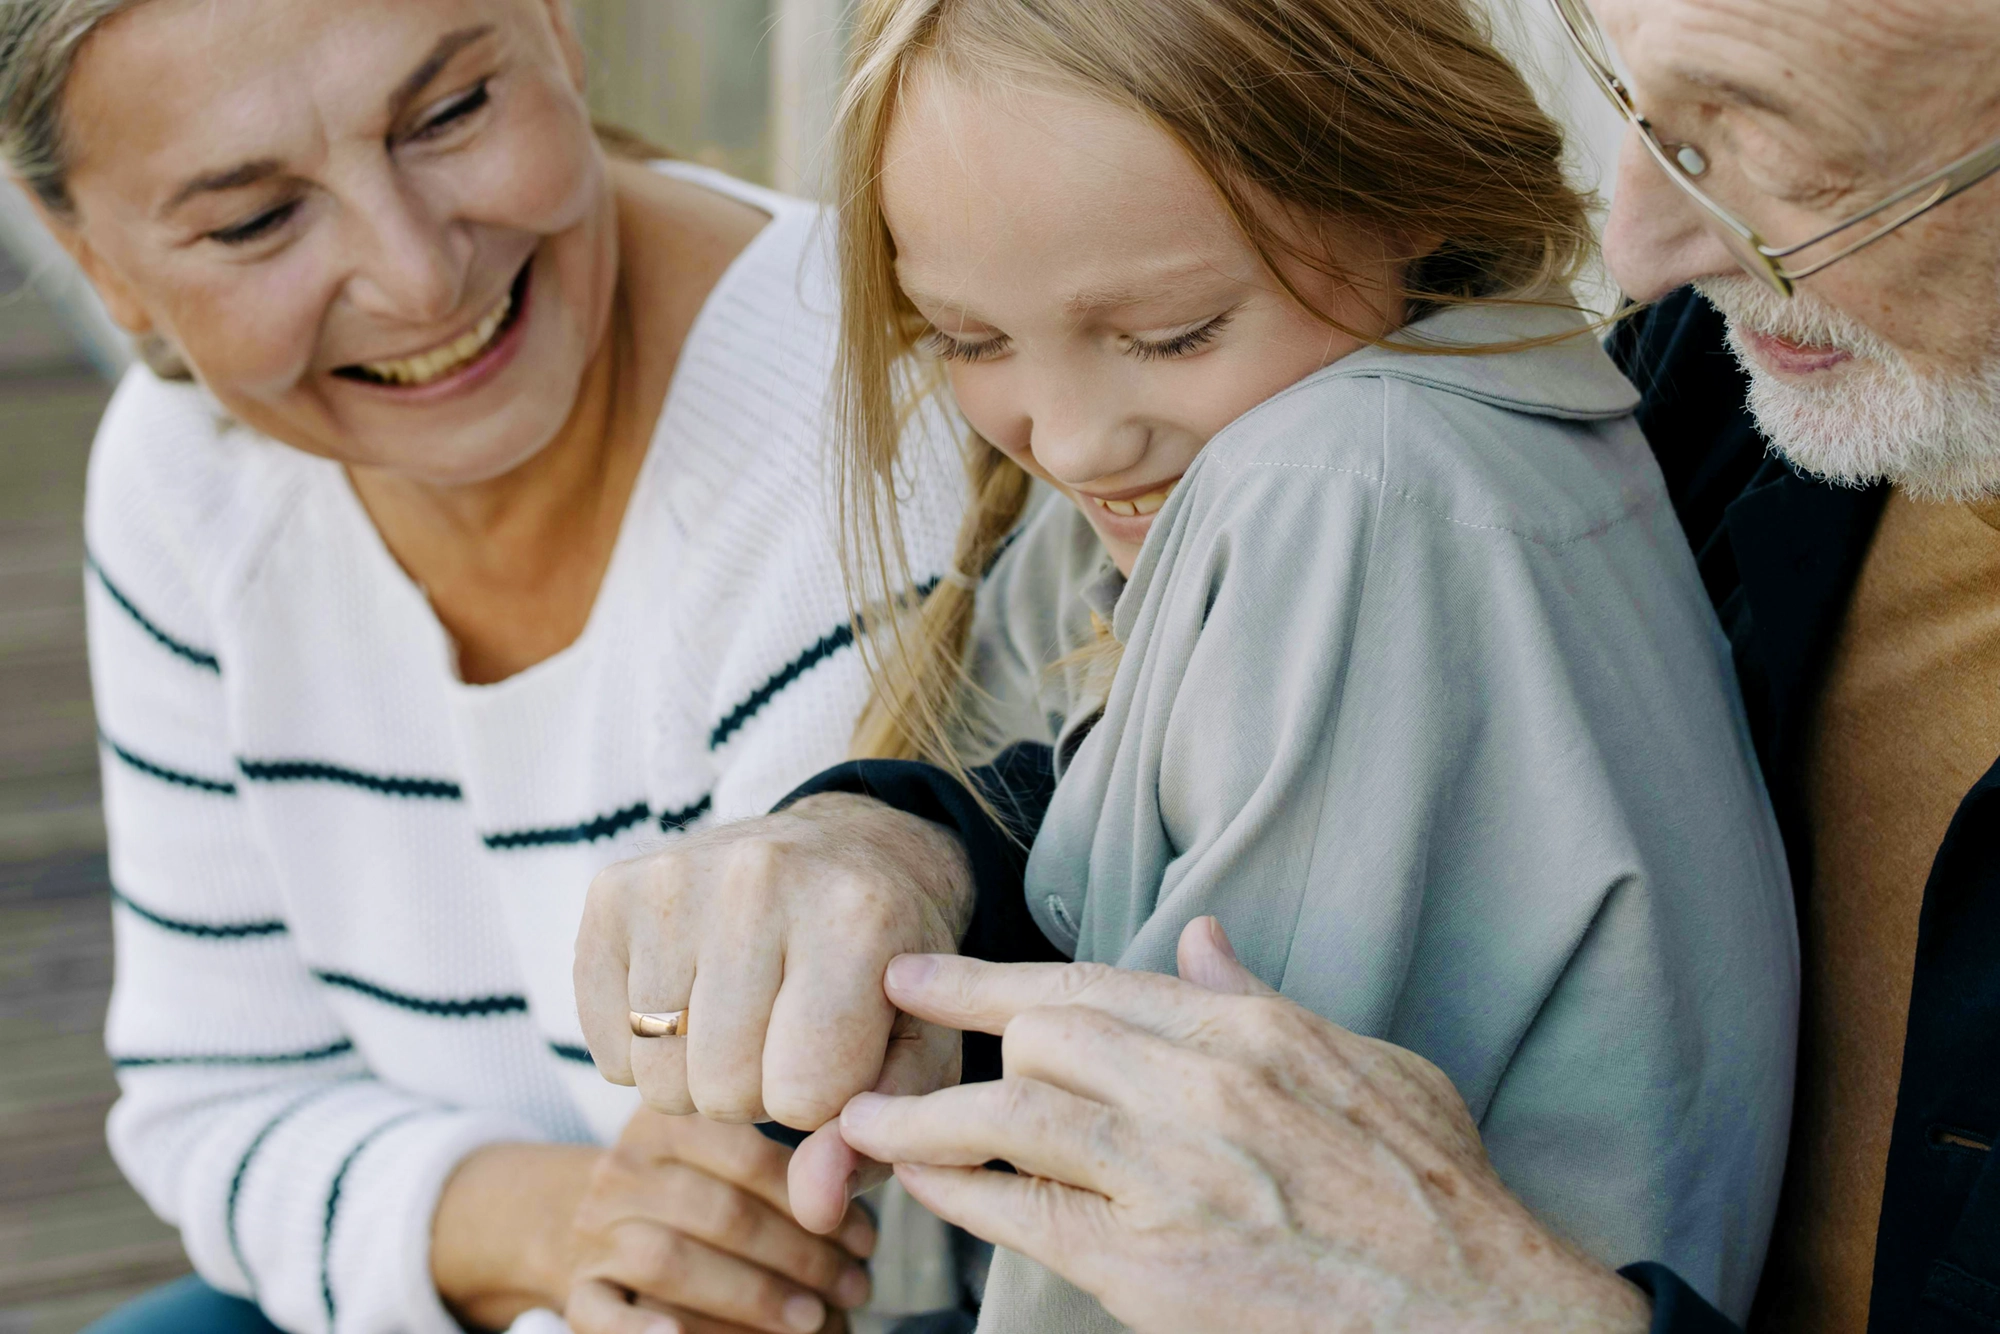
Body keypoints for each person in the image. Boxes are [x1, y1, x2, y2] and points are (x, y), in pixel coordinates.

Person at [570, 0, 1800, 1328]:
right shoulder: (1456, 420)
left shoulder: (1345, 485)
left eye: (1168, 332)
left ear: (1399, 186)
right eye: (970, 341)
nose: (1074, 439)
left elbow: (1160, 1219)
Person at [824, 0, 2000, 1330]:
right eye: (1652, 117)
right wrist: (905, 844)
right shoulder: (1706, 391)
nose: (1638, 248)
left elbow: (1152, 1226)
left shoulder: (1348, 483)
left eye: (1793, 153)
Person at [0, 0, 967, 1330]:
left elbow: (787, 1255)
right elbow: (218, 1099)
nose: (414, 278)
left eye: (452, 112)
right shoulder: (189, 481)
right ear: (95, 263)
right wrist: (539, 1215)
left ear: (558, 32)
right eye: (252, 221)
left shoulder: (870, 435)